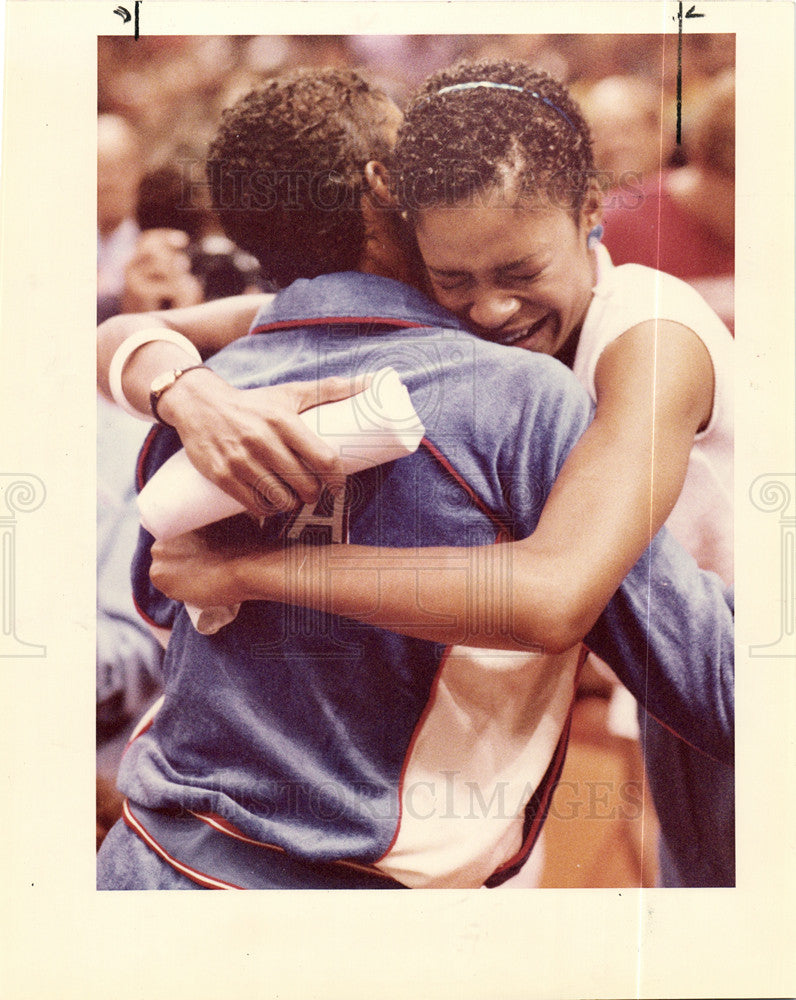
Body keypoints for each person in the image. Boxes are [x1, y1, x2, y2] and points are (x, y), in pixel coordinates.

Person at [96, 68, 732, 891]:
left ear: (589, 213)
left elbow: (557, 594)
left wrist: (249, 571)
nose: (492, 310)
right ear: (388, 197)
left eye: (517, 271)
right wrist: (184, 390)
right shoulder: (272, 375)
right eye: (457, 279)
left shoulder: (643, 338)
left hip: (149, 857)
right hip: (669, 675)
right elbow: (126, 332)